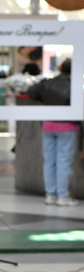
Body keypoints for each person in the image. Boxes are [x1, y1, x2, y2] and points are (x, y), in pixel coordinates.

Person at [27, 58, 79, 206]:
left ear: (61, 68)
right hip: (67, 126)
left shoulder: (48, 82)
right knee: (64, 161)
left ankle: (50, 195)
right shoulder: (74, 85)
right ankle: (63, 195)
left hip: (48, 124)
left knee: (49, 161)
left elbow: (31, 92)